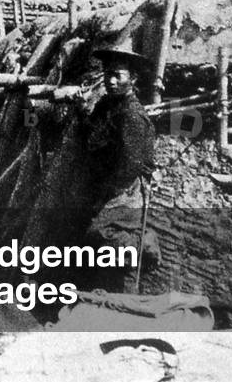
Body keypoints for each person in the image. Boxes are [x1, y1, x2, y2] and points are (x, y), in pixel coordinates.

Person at [81, 41, 158, 288]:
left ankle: (142, 246)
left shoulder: (132, 115)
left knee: (99, 231)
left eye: (117, 75)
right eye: (107, 75)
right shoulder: (107, 105)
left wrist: (107, 192)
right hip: (104, 184)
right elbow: (92, 135)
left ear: (132, 78)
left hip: (126, 188)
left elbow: (130, 164)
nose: (110, 81)